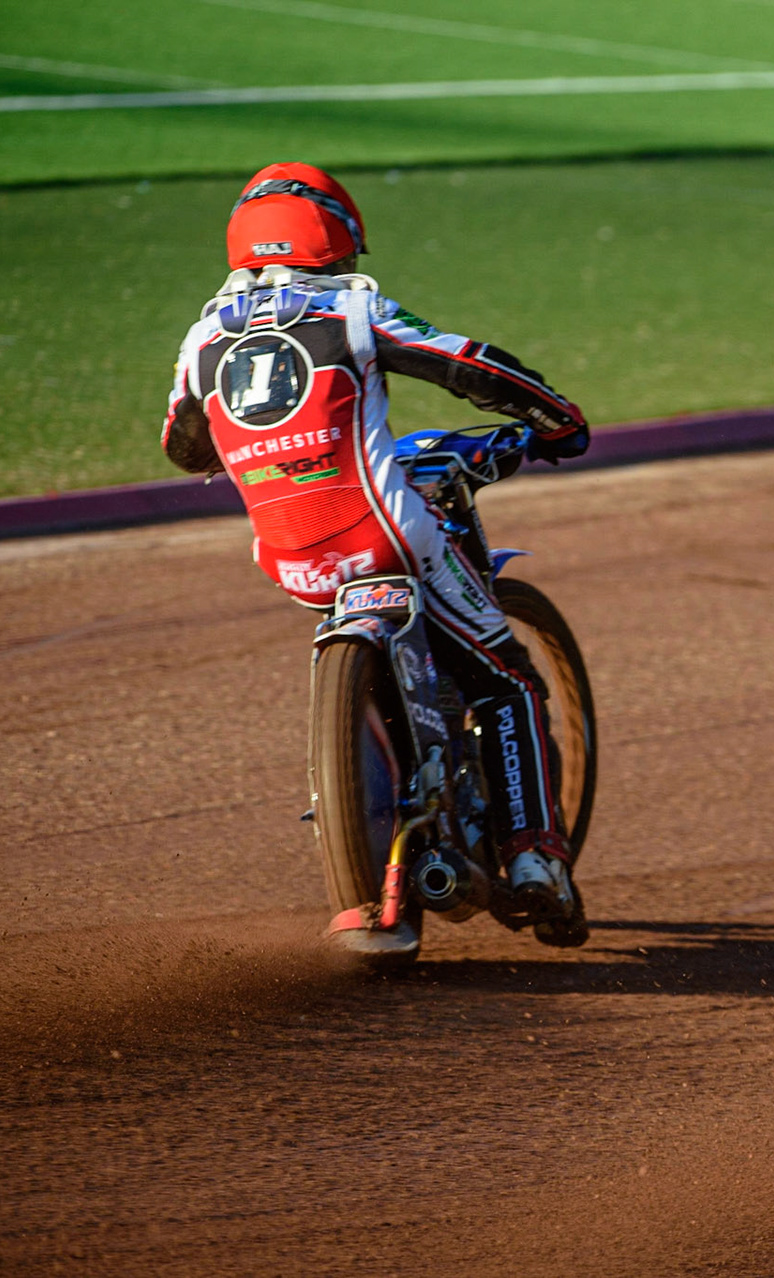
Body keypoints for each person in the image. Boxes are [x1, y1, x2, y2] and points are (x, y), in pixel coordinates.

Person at [161, 163, 593, 948]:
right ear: (337, 239)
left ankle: (379, 829)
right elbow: (469, 364)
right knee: (506, 681)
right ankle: (536, 859)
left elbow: (181, 446)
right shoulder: (350, 307)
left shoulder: (204, 337)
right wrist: (558, 418)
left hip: (291, 561)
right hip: (387, 535)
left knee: (379, 623)